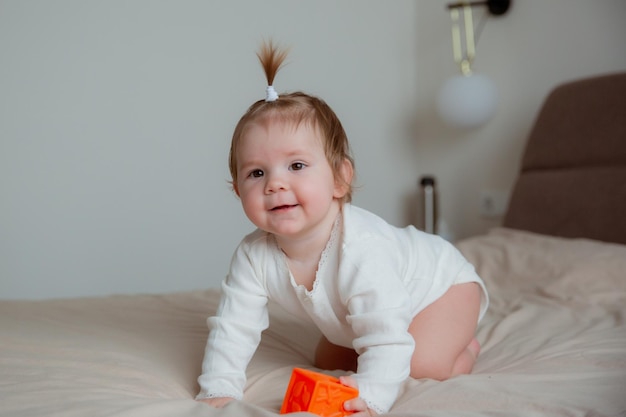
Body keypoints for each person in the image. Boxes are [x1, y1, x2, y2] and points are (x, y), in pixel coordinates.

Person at [196, 41, 488, 416]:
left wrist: (371, 395)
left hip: (441, 290)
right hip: (377, 308)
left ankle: (465, 351)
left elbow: (386, 340)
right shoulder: (253, 255)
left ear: (339, 179)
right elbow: (233, 326)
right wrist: (218, 387)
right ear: (238, 191)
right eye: (257, 173)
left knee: (421, 363)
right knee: (326, 357)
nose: (275, 184)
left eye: (297, 166)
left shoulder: (362, 248)